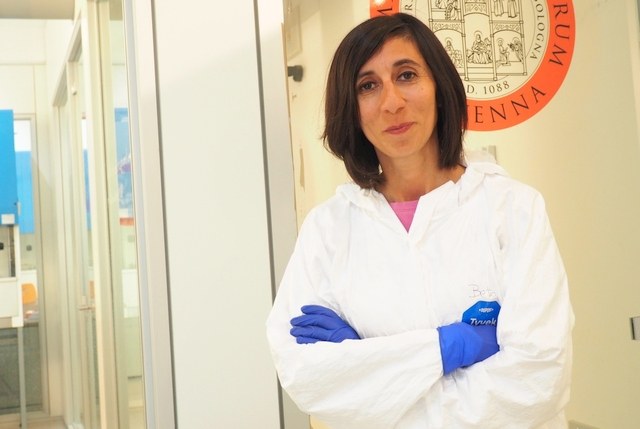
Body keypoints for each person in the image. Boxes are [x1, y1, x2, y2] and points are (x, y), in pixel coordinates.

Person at [266, 13, 573, 429]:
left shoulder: (513, 208)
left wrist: (369, 367)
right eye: (367, 85)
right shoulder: (328, 229)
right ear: (351, 110)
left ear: (439, 88)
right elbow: (305, 376)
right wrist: (447, 348)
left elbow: (536, 382)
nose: (392, 102)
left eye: (406, 75)